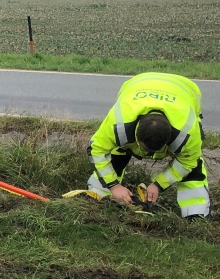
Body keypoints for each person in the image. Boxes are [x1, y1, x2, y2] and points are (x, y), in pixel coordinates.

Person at [86, 72, 209, 218]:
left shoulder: (187, 132)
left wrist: (158, 185)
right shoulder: (119, 123)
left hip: (186, 88)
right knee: (117, 152)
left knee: (193, 167)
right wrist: (114, 186)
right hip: (137, 83)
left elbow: (187, 162)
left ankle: (196, 215)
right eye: (144, 149)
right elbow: (97, 150)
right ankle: (99, 197)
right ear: (136, 133)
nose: (148, 156)